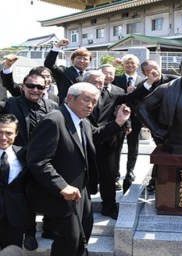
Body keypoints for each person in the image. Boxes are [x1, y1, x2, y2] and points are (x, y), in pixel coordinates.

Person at [26, 82, 131, 256]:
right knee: (69, 239)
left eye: (94, 101)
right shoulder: (54, 120)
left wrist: (119, 122)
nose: (90, 105)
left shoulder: (82, 121)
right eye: (86, 100)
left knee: (84, 231)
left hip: (81, 190)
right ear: (70, 98)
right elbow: (38, 161)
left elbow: (95, 135)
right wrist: (61, 186)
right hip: (62, 192)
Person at [0, 72, 58, 250]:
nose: (35, 90)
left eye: (39, 87)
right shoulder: (11, 103)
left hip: (44, 160)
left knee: (48, 193)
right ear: (23, 86)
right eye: (31, 86)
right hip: (18, 160)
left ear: (45, 88)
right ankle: (30, 232)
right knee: (25, 196)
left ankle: (49, 227)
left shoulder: (53, 106)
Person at [118, 59, 178, 193]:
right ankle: (156, 180)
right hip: (156, 125)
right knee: (161, 151)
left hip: (175, 122)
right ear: (145, 73)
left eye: (156, 67)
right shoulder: (142, 85)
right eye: (150, 70)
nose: (155, 71)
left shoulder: (174, 80)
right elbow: (135, 105)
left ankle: (163, 179)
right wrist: (148, 123)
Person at [89, 64, 126, 219]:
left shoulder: (115, 92)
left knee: (108, 175)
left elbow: (126, 105)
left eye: (101, 82)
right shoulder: (77, 95)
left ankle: (109, 206)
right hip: (86, 139)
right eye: (95, 82)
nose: (99, 85)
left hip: (108, 139)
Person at [113, 54, 144, 190]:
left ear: (137, 65)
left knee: (133, 146)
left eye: (133, 63)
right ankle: (115, 174)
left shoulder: (143, 81)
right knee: (116, 146)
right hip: (119, 117)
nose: (130, 66)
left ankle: (130, 171)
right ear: (123, 65)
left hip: (136, 118)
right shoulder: (117, 79)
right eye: (127, 63)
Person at [0, 114, 28, 250]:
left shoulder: (24, 154)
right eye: (0, 132)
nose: (3, 137)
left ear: (16, 133)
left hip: (15, 218)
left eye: (8, 133)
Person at [44, 38, 92, 104]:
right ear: (72, 60)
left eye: (85, 59)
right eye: (79, 58)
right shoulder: (64, 71)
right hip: (66, 107)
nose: (82, 61)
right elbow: (49, 64)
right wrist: (58, 46)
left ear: (90, 61)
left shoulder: (91, 75)